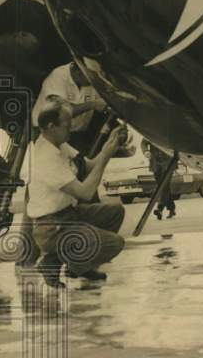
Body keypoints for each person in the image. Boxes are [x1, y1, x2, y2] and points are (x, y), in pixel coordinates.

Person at [27, 103, 126, 287]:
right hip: (52, 227)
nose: (71, 127)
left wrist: (108, 146)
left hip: (68, 214)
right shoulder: (45, 157)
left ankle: (79, 266)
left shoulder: (60, 145)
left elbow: (88, 166)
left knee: (115, 212)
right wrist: (106, 156)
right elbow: (86, 192)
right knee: (114, 243)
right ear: (51, 127)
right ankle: (52, 262)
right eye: (66, 124)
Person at [147, 142, 177, 220]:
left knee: (163, 186)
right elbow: (143, 142)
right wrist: (145, 151)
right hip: (155, 165)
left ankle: (159, 209)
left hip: (168, 164)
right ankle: (172, 208)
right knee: (164, 188)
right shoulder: (151, 130)